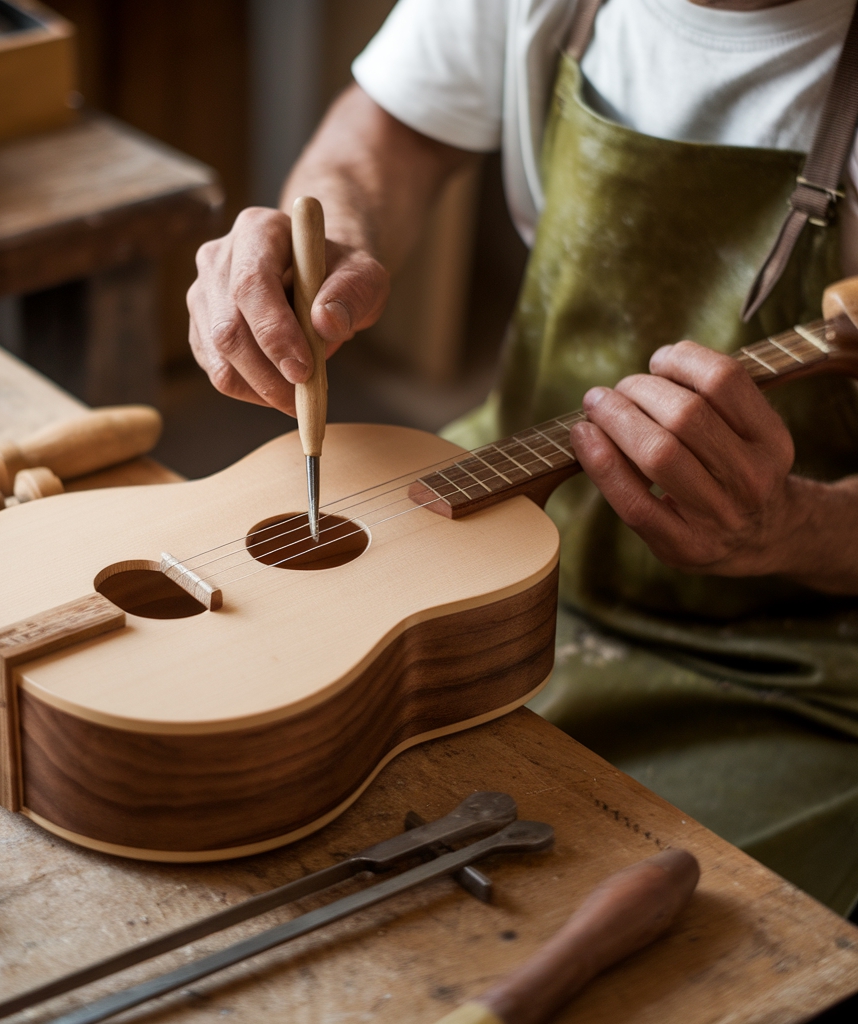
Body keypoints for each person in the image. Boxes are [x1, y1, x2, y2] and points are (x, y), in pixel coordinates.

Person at [187, 0, 858, 916]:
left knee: (599, 919)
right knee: (245, 750)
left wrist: (794, 529)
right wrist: (327, 244)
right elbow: (381, 137)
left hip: (792, 645)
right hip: (503, 498)